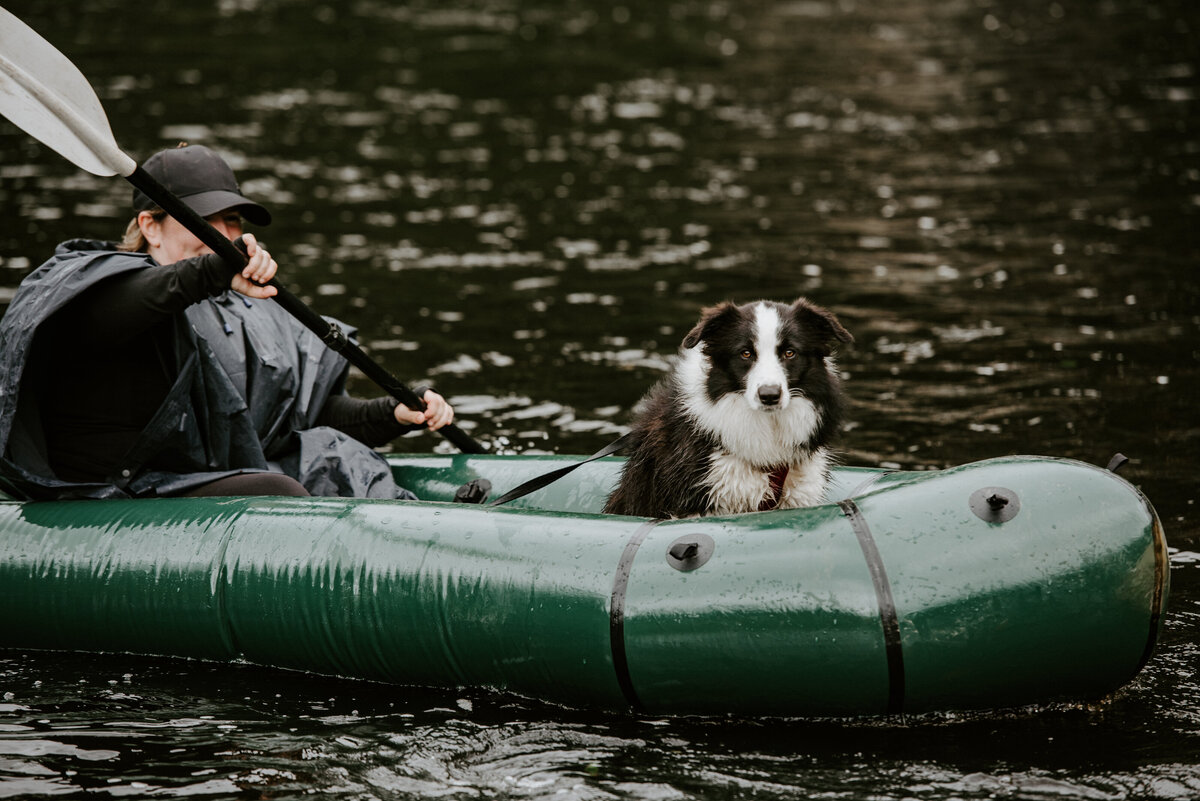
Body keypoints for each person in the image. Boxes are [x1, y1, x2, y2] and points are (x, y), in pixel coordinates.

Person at [0, 144, 454, 500]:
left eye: (232, 220)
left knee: (336, 460)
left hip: (200, 481)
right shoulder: (105, 289)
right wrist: (218, 268)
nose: (226, 235)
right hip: (113, 490)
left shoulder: (248, 308)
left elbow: (300, 418)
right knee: (279, 492)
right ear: (151, 225)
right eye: (203, 220)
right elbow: (141, 300)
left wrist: (393, 413)